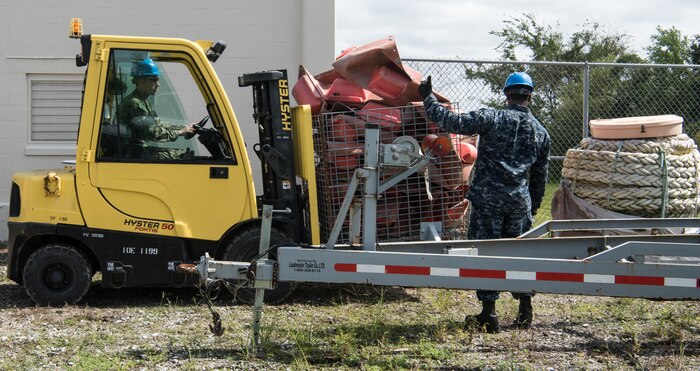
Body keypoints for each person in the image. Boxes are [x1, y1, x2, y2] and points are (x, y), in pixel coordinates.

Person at [419, 72, 551, 333]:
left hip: (488, 201)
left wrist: (428, 98)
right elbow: (540, 175)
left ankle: (489, 314)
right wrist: (533, 205)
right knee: (520, 256)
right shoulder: (541, 132)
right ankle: (525, 309)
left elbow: (450, 121)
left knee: (485, 254)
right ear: (530, 96)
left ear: (507, 94)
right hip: (518, 203)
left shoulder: (492, 117)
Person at [117, 58, 196, 160]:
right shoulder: (134, 103)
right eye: (153, 80)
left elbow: (157, 124)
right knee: (182, 156)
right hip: (133, 152)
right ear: (141, 81)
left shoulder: (143, 101)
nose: (158, 85)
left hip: (137, 149)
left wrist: (184, 128)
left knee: (182, 154)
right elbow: (153, 133)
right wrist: (179, 132)